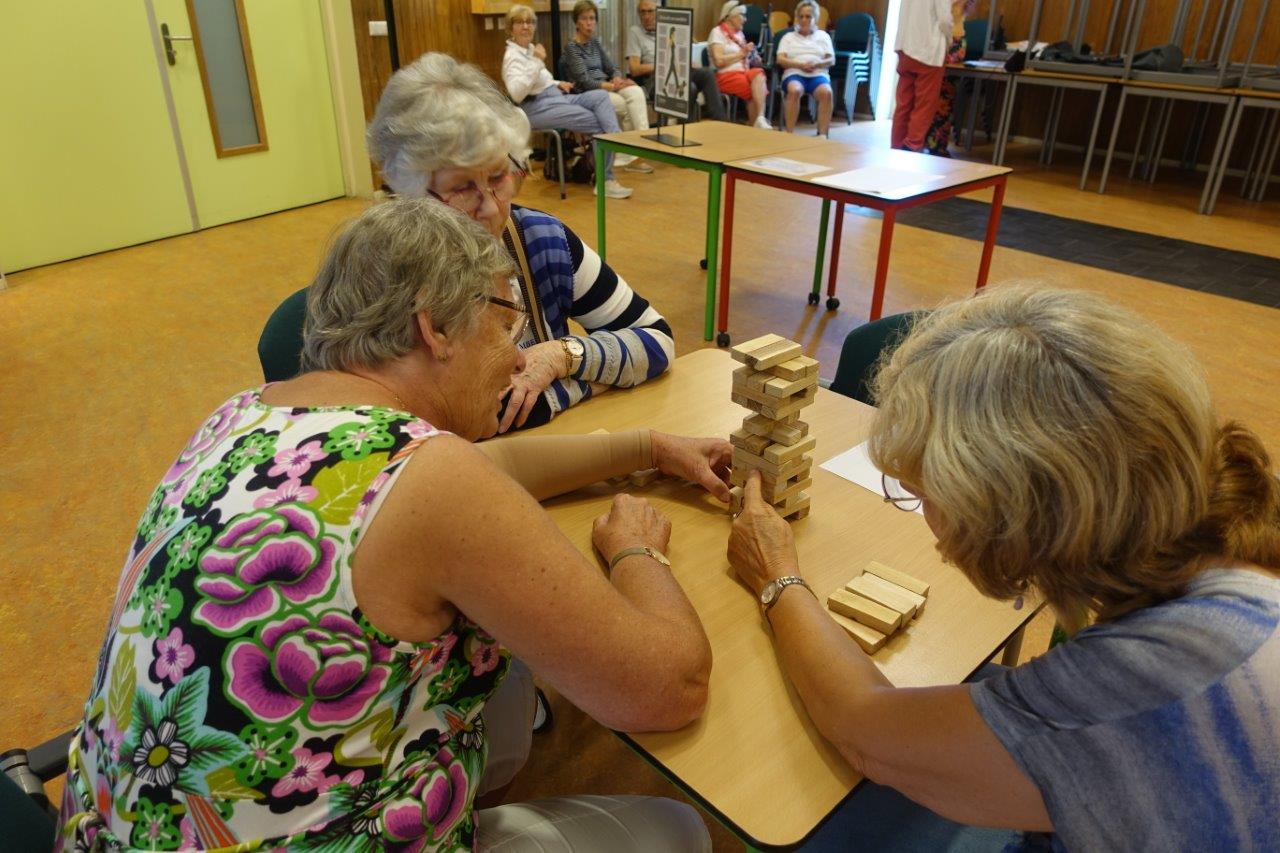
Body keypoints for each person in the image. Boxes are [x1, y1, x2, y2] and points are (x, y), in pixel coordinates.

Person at [59, 198, 728, 851]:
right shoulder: (432, 481)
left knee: (506, 705)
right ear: (434, 326)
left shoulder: (245, 414)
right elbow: (670, 688)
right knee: (679, 830)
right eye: (507, 326)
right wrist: (636, 550)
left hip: (121, 827)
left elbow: (491, 464)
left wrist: (646, 446)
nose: (520, 358)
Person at [727, 285, 1280, 850]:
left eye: (923, 492)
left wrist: (778, 577)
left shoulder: (1146, 676)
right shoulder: (1232, 553)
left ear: (1011, 521)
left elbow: (865, 733)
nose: (927, 517)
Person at [361, 53, 671, 433]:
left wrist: (563, 356)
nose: (491, 207)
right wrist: (592, 382)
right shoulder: (382, 277)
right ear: (409, 190)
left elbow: (657, 340)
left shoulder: (543, 239)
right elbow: (461, 429)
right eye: (462, 189)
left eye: (497, 176)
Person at [501, 4, 633, 197]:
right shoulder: (512, 56)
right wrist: (538, 62)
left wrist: (557, 81)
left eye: (529, 22)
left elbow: (539, 80)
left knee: (600, 96)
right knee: (599, 123)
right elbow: (517, 93)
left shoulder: (529, 50)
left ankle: (614, 139)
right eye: (520, 22)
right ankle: (605, 180)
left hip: (555, 97)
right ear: (510, 28)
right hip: (535, 107)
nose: (526, 26)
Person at [563, 0, 654, 174]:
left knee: (635, 91)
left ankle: (642, 148)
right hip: (589, 93)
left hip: (608, 85)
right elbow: (584, 81)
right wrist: (612, 85)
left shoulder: (595, 43)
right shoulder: (571, 47)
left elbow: (612, 66)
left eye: (592, 18)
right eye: (585, 18)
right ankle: (624, 154)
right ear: (577, 22)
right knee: (622, 104)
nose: (589, 23)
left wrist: (618, 77)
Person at [626, 0, 727, 120]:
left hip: (677, 72)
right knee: (690, 87)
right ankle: (683, 130)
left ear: (659, 12)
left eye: (650, 12)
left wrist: (685, 62)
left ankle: (720, 122)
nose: (646, 16)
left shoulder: (670, 29)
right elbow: (634, 69)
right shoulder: (635, 32)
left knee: (707, 73)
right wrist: (663, 65)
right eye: (642, 12)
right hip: (654, 80)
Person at [891, 0, 951, 151]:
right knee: (924, 105)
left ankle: (896, 146)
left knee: (903, 104)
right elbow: (944, 19)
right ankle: (912, 147)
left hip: (905, 45)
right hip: (928, 48)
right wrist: (950, 40)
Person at [775, 0, 835, 135]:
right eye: (801, 16)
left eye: (808, 17)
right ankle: (789, 133)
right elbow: (780, 59)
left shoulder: (824, 36)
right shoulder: (788, 37)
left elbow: (831, 60)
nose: (804, 20)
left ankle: (822, 135)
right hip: (794, 73)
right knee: (795, 90)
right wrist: (800, 65)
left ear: (815, 18)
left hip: (818, 74)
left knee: (827, 93)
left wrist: (817, 64)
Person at [709, 1, 771, 129]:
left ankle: (759, 118)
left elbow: (745, 57)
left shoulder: (740, 34)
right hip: (725, 75)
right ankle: (756, 130)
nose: (745, 19)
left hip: (744, 72)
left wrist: (753, 57)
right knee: (755, 91)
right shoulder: (717, 32)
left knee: (759, 73)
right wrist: (742, 53)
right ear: (731, 16)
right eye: (742, 15)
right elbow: (718, 61)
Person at [924, 1, 974, 156]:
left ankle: (936, 144)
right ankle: (930, 142)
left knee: (945, 95)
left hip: (954, 38)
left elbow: (964, 12)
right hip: (945, 36)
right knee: (936, 94)